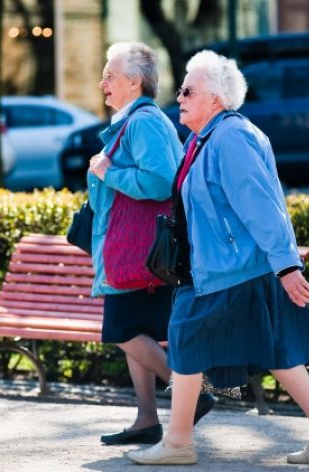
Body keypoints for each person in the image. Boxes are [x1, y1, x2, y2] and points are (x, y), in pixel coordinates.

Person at [127, 50, 309, 465]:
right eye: (180, 90)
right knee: (275, 350)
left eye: (188, 90)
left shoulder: (230, 137)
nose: (178, 97)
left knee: (186, 337)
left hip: (230, 270)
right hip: (225, 268)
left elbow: (261, 204)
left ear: (216, 98)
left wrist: (286, 264)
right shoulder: (205, 137)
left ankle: (178, 442)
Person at [88, 42, 215, 446]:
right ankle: (146, 418)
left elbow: (161, 181)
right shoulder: (133, 121)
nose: (103, 83)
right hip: (134, 250)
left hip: (138, 252)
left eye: (110, 75)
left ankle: (190, 395)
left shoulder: (144, 122)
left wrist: (110, 172)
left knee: (122, 330)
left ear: (135, 81)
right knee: (136, 330)